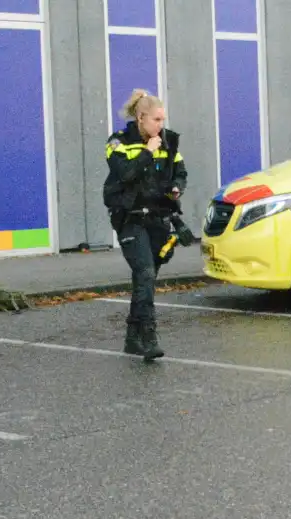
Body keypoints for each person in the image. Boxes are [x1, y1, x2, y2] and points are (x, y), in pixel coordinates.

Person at [103, 88, 188, 361]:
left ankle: (132, 338)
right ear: (141, 118)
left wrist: (176, 187)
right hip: (130, 218)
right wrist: (148, 152)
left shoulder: (168, 141)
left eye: (163, 120)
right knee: (146, 274)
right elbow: (125, 174)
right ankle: (149, 337)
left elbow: (180, 172)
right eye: (156, 120)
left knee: (145, 280)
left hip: (158, 218)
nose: (161, 126)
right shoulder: (118, 142)